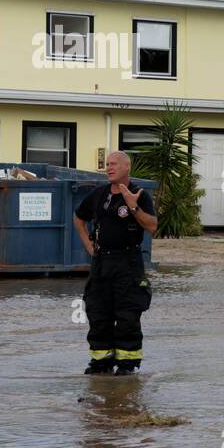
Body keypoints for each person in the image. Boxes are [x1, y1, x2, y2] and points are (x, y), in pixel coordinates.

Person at [73, 151, 157, 375]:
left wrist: (133, 207)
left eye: (114, 164)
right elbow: (78, 217)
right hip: (101, 263)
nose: (109, 168)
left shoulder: (139, 194)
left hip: (128, 263)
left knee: (127, 315)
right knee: (98, 313)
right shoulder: (99, 194)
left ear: (127, 167)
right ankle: (101, 362)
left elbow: (152, 226)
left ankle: (127, 365)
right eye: (107, 165)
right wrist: (89, 247)